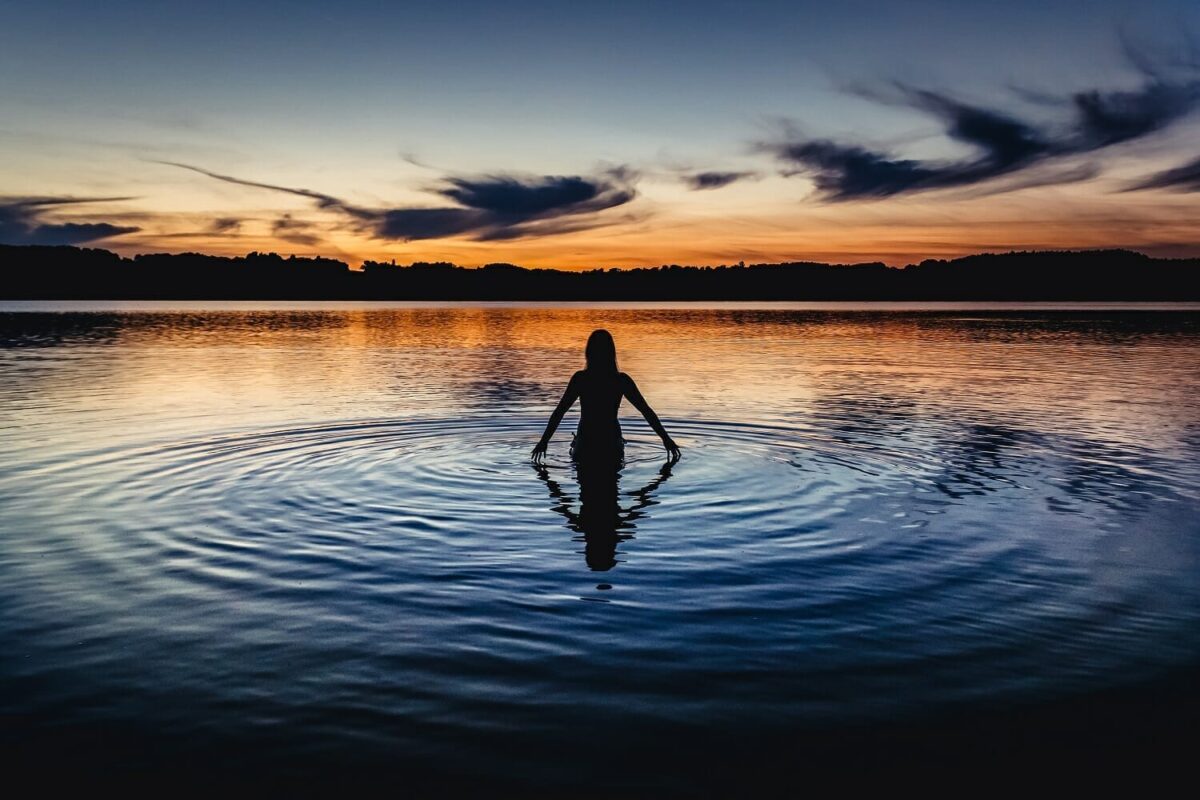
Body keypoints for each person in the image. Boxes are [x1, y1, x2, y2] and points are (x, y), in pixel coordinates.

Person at [530, 329, 681, 464]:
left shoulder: (581, 379)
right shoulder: (621, 380)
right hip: (611, 442)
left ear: (589, 353)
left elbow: (560, 411)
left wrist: (544, 441)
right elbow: (646, 411)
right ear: (611, 353)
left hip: (585, 442)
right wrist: (666, 439)